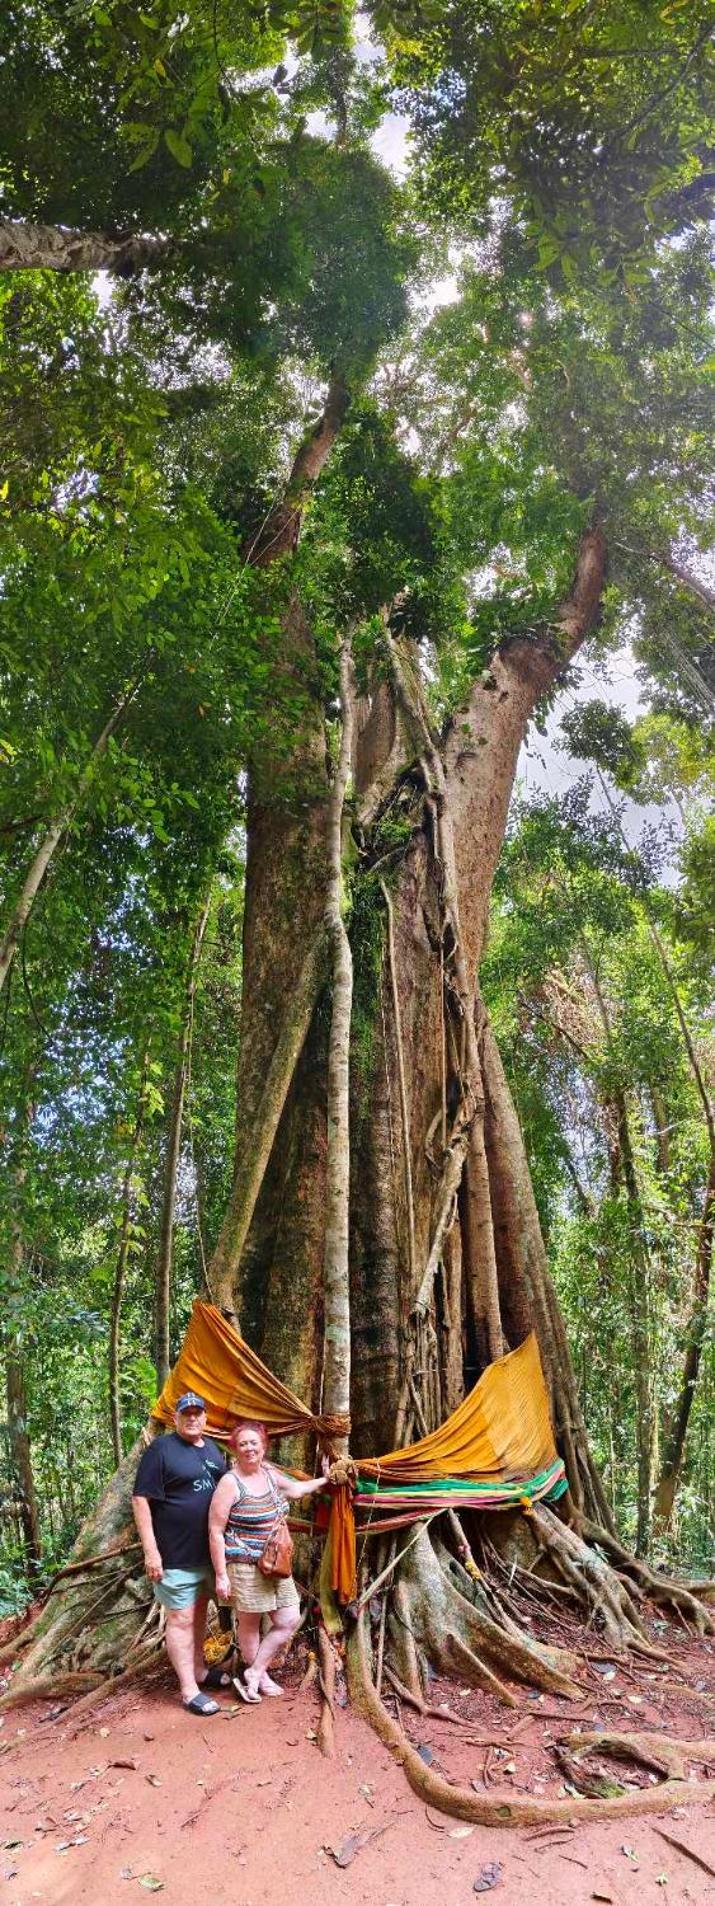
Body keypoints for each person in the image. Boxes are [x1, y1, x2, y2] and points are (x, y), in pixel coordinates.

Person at [209, 1418, 329, 1702]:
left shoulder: (268, 1472)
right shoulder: (230, 1483)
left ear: (263, 1446)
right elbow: (215, 1531)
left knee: (288, 1618)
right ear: (235, 1449)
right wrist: (220, 1575)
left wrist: (326, 1478)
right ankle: (259, 1677)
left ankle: (254, 1672)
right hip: (244, 1564)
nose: (249, 1448)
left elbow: (296, 1490)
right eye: (243, 1444)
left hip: (276, 1563)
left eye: (254, 1443)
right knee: (249, 1624)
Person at [132, 1391, 227, 1716]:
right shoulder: (161, 1449)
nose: (192, 1418)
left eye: (198, 1413)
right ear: (175, 1417)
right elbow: (141, 1499)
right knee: (181, 1617)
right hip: (174, 1555)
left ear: (205, 1417)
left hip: (209, 1555)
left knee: (200, 1612)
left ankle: (199, 1671)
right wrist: (151, 1552)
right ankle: (189, 1690)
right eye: (186, 1413)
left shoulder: (214, 1449)